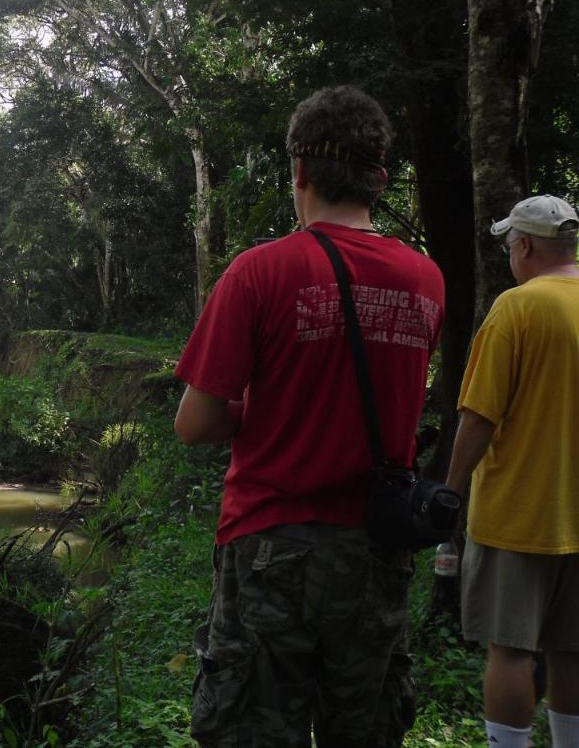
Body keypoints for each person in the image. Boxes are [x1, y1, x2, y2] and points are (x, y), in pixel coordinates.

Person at [173, 85, 445, 747]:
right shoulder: (424, 279)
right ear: (376, 176)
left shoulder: (259, 273)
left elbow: (195, 424)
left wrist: (259, 410)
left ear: (299, 171)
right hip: (377, 549)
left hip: (272, 541)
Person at [446, 194, 579, 748]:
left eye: (509, 246)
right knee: (572, 649)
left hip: (518, 515)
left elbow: (479, 418)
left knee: (509, 650)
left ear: (524, 246)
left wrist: (450, 494)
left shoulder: (517, 308)